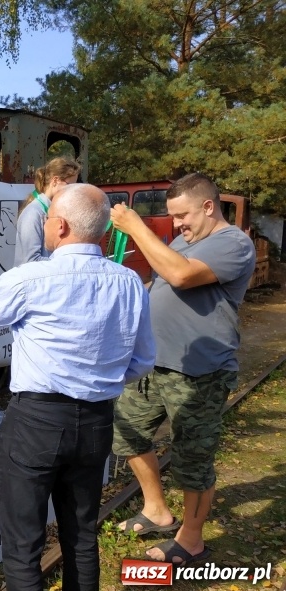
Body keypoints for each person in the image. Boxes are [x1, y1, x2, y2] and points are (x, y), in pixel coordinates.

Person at [0, 184, 156, 591]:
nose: (43, 223)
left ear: (60, 226)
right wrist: (100, 381)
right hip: (97, 422)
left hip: (36, 424)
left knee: (23, 547)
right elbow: (142, 361)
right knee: (81, 537)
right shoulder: (130, 283)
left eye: (46, 217)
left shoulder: (33, 278)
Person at [109, 173, 256, 564]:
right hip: (154, 364)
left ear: (209, 206)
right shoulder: (185, 239)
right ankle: (157, 509)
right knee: (125, 432)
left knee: (192, 459)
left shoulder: (233, 243)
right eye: (172, 218)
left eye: (182, 215)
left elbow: (180, 274)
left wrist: (137, 226)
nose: (177, 224)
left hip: (199, 374)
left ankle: (191, 538)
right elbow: (161, 281)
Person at [14, 156, 81, 266]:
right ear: (55, 180)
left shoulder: (53, 210)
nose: (72, 191)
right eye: (69, 185)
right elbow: (31, 261)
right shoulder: (33, 213)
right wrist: (69, 262)